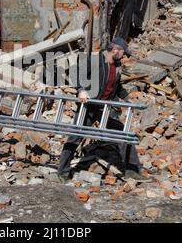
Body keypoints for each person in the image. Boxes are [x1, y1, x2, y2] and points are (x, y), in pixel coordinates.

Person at [58, 37, 151, 183]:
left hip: (105, 107)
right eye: (123, 53)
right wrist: (81, 90)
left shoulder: (117, 66)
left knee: (122, 135)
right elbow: (75, 71)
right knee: (75, 137)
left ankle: (132, 171)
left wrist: (127, 98)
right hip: (88, 106)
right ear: (115, 49)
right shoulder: (95, 60)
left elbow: (116, 87)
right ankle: (62, 172)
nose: (124, 56)